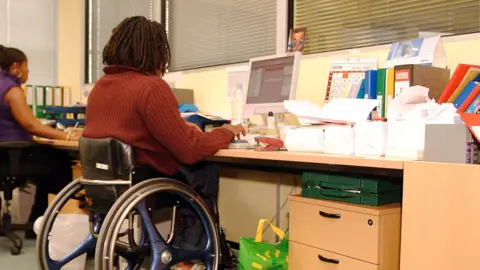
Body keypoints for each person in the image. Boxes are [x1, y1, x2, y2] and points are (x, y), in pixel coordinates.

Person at [82, 16, 245, 268]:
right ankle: (192, 255)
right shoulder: (151, 87)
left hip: (111, 184)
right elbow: (191, 150)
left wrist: (179, 127)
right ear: (156, 52)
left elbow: (131, 133)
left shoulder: (100, 87)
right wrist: (228, 131)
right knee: (203, 169)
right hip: (144, 184)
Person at [0, 45, 80, 238]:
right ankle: (47, 227)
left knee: (50, 163)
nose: (28, 71)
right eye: (27, 66)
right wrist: (67, 135)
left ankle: (36, 222)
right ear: (16, 67)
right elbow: (31, 125)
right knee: (60, 164)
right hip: (10, 158)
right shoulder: (12, 89)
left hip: (5, 156)